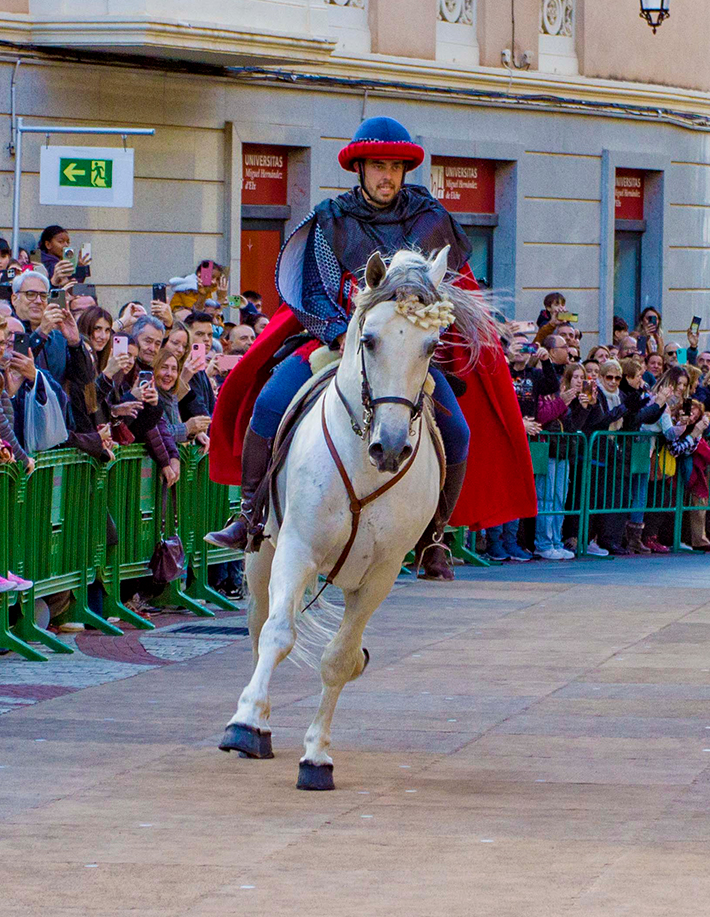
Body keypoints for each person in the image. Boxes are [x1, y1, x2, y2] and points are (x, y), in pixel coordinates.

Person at [207, 116, 535, 580]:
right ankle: (250, 515)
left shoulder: (431, 219)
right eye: (379, 166)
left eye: (397, 167)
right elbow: (313, 288)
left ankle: (434, 536)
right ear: (360, 168)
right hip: (338, 343)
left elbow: (451, 287)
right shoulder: (330, 218)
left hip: (402, 352)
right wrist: (339, 330)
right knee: (269, 402)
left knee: (457, 430)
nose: (388, 176)